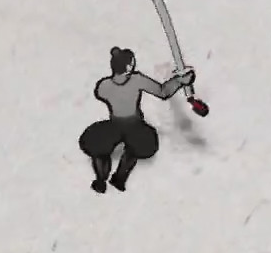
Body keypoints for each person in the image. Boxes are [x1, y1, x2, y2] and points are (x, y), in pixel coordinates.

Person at [79, 47, 195, 194]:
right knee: (136, 146)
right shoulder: (137, 80)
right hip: (133, 124)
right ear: (128, 66)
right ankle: (118, 178)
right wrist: (179, 81)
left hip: (116, 123)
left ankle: (102, 180)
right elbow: (163, 92)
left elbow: (99, 94)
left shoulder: (104, 85)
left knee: (101, 147)